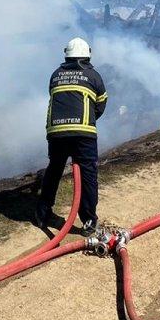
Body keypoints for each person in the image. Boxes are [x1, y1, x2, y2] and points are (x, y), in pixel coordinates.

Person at [34, 37, 107, 234]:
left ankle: (42, 212)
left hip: (56, 132)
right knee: (88, 174)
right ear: (87, 55)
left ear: (67, 56)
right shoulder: (93, 75)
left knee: (55, 169)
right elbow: (101, 104)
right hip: (83, 134)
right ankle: (89, 221)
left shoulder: (55, 75)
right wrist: (86, 122)